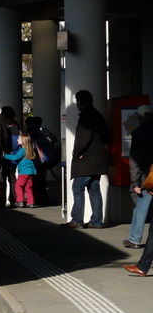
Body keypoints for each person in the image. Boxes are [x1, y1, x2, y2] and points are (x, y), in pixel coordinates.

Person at [66, 89, 110, 229]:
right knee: (94, 189)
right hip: (98, 159)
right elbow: (105, 136)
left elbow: (84, 137)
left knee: (78, 188)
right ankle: (96, 221)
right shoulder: (98, 115)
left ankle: (77, 220)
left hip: (87, 160)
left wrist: (77, 152)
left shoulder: (86, 116)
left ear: (80, 102)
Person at [124, 105, 153, 248]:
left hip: (148, 178)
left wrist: (135, 183)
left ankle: (135, 239)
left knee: (141, 209)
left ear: (140, 118)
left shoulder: (139, 133)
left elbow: (135, 162)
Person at [24, 116, 57, 206]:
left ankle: (34, 199)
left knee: (33, 181)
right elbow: (54, 139)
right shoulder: (44, 132)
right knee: (41, 181)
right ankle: (42, 199)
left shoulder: (28, 133)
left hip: (33, 159)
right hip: (44, 160)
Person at [4, 132, 38, 207]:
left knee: (18, 185)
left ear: (23, 141)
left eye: (19, 139)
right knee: (28, 187)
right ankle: (30, 202)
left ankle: (20, 201)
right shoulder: (30, 150)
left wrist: (5, 155)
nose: (17, 140)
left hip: (24, 172)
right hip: (31, 171)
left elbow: (16, 157)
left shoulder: (23, 150)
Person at [0, 106, 21, 207]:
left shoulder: (4, 127)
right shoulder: (16, 126)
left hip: (5, 155)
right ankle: (13, 198)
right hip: (15, 155)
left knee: (3, 177)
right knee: (12, 178)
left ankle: (2, 199)